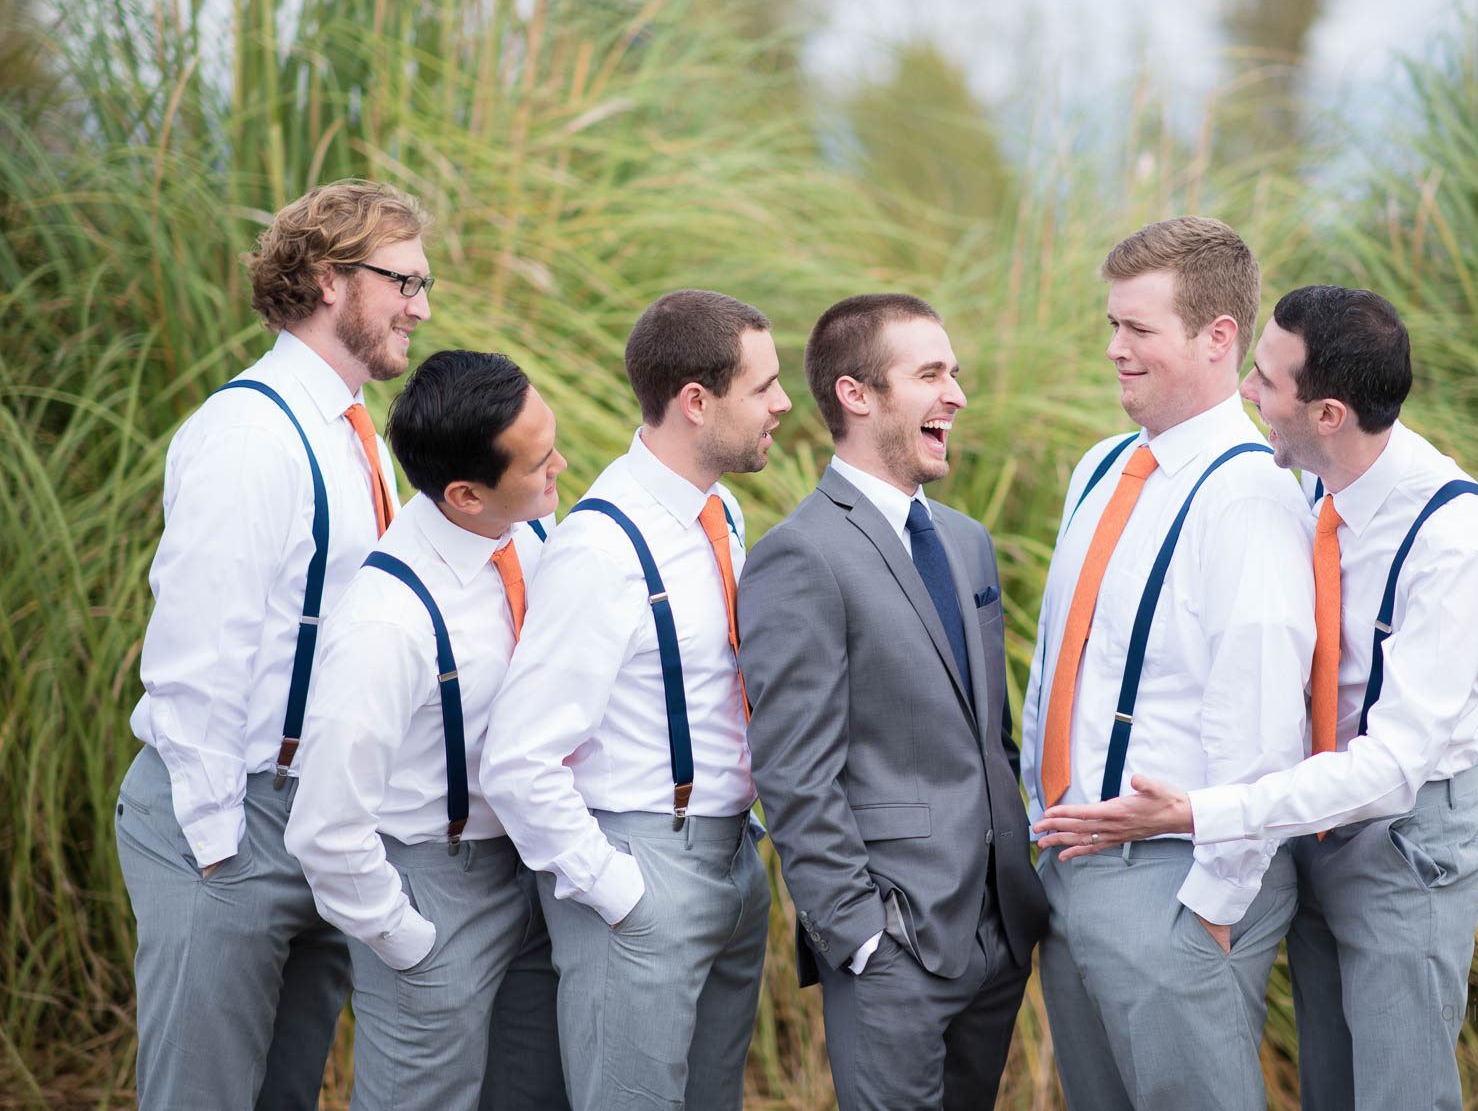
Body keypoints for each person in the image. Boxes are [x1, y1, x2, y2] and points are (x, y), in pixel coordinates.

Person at [1039, 284, 1478, 1111]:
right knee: (1330, 1085)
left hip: (1408, 839)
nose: (1247, 393)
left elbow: (1396, 764)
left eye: (1265, 381)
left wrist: (1204, 814)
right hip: (1306, 819)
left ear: (1328, 412)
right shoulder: (1302, 480)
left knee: (1398, 1091)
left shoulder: (1455, 539)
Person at [115, 179, 431, 1110]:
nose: (420, 305)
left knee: (283, 1095)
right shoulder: (250, 434)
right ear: (332, 280)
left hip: (320, 817)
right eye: (403, 282)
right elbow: (195, 659)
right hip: (227, 819)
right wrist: (217, 854)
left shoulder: (358, 433)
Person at [1016, 217, 1313, 1111]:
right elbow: (1061, 664)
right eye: (1113, 325)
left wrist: (1214, 908)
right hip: (1071, 868)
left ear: (1219, 338)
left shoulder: (1251, 495)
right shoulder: (1101, 467)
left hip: (1174, 880)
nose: (1114, 349)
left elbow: (1262, 716)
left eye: (1138, 330)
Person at [737, 293, 1050, 1111]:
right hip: (895, 943)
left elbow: (993, 737)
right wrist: (861, 933)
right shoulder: (801, 555)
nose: (957, 394)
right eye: (931, 374)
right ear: (857, 394)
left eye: (956, 374)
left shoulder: (965, 540)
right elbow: (793, 771)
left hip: (999, 932)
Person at [480, 289, 789, 1111]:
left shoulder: (718, 511)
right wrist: (617, 892)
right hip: (642, 867)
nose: (784, 404)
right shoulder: (600, 549)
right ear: (697, 401)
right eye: (763, 388)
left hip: (731, 863)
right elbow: (519, 762)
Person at [283, 349, 569, 1111]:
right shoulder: (384, 624)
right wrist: (407, 939)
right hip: (436, 884)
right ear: (466, 494)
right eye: (540, 462)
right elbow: (326, 827)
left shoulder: (532, 534)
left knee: (536, 1092)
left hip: (534, 865)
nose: (561, 467)